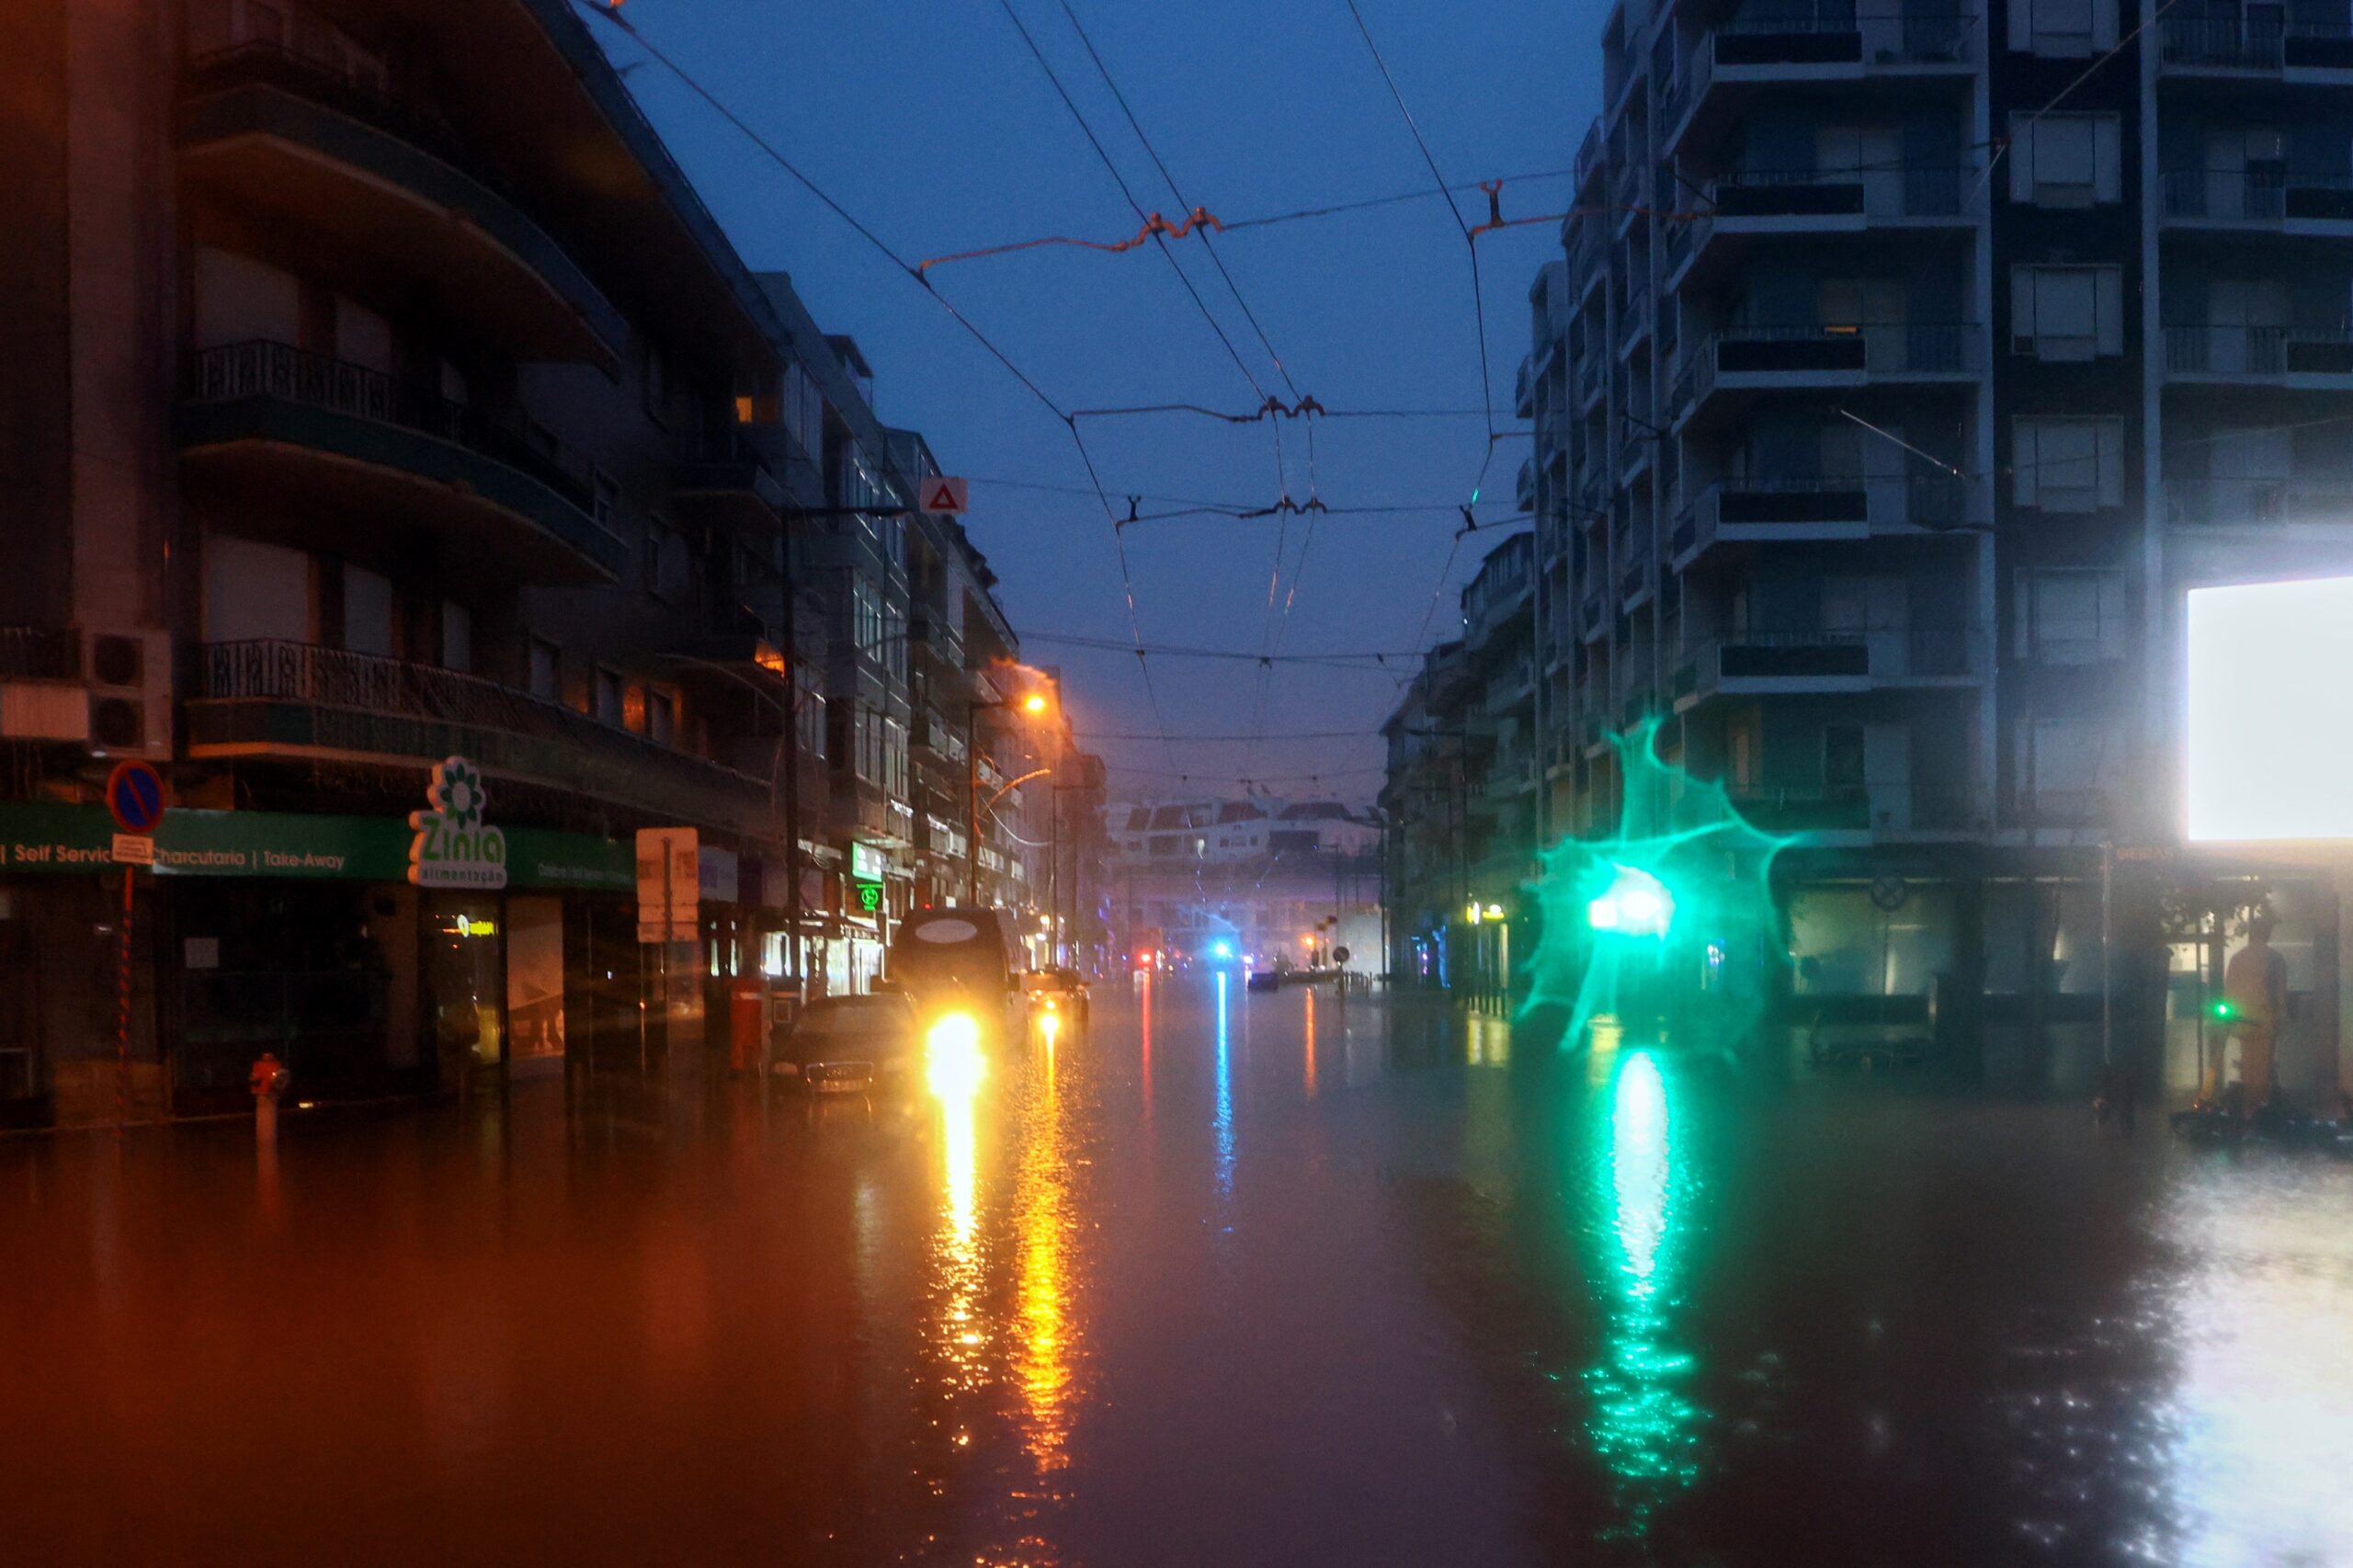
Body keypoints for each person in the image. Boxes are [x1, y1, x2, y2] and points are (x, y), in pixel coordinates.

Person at [2221, 913, 2289, 1113]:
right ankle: (2260, 1107)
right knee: (2263, 1065)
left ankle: (2247, 1107)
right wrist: (2282, 1017)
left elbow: (2229, 990)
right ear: (2267, 933)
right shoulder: (2275, 958)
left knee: (2248, 1063)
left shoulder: (2238, 958)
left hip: (2242, 1018)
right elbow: (2279, 993)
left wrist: (2228, 1018)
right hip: (2265, 1018)